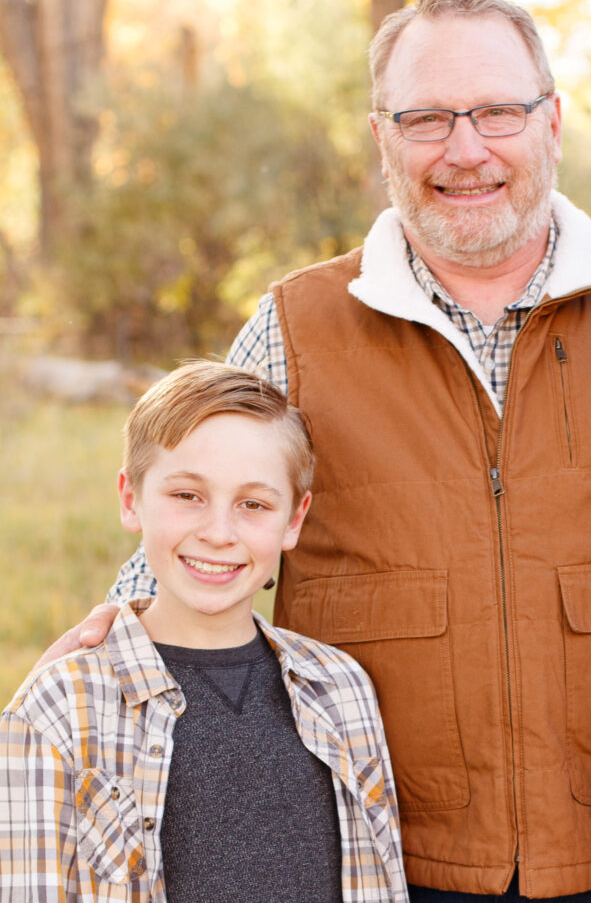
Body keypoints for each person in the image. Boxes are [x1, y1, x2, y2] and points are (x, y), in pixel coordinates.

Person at [44, 0, 591, 900]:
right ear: (381, 136)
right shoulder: (296, 326)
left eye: (497, 111)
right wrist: (106, 650)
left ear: (552, 121)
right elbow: (197, 502)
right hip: (367, 859)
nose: (464, 149)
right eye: (424, 118)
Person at [0, 361, 409, 903]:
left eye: (253, 504)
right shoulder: (60, 706)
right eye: (187, 495)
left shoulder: (342, 690)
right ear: (130, 499)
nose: (218, 532)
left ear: (294, 519)